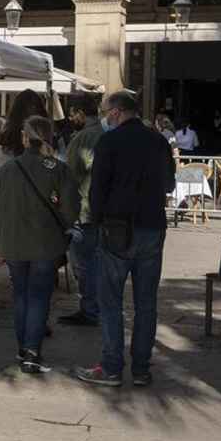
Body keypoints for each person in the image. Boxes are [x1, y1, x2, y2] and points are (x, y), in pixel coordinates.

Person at [77, 91, 176, 388]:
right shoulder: (158, 141)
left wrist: (96, 223)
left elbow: (97, 190)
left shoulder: (110, 141)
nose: (105, 116)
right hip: (152, 227)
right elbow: (169, 183)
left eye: (106, 111)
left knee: (111, 302)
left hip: (117, 230)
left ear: (117, 112)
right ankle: (142, 369)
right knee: (146, 303)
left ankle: (111, 367)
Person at [0, 115, 79, 373]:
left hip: (14, 243)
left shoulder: (8, 169)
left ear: (24, 137)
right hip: (46, 243)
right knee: (39, 297)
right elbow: (71, 209)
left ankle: (23, 348)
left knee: (21, 295)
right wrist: (63, 229)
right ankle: (31, 350)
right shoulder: (58, 169)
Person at [60, 101, 106, 328]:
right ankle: (94, 307)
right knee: (94, 262)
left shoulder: (83, 138)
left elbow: (70, 178)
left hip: (84, 212)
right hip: (100, 210)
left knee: (84, 264)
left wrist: (67, 215)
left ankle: (90, 309)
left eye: (72, 114)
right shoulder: (105, 134)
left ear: (80, 113)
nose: (70, 119)